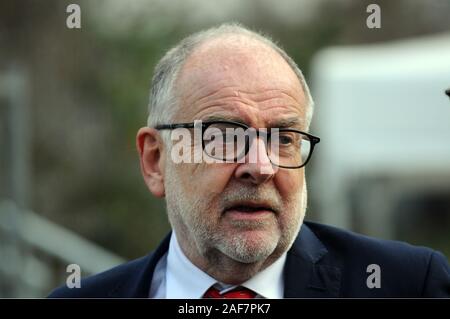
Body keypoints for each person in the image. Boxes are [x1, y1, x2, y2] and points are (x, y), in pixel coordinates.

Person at [49, 23, 450, 298]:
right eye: (224, 137)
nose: (260, 166)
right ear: (156, 161)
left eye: (283, 138)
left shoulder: (408, 284)